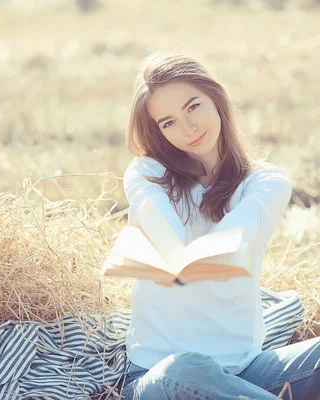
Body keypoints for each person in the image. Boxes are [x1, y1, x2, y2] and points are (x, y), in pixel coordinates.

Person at [119, 52, 320, 399]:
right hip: (162, 379)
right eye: (168, 123)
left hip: (247, 371)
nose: (188, 128)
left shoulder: (266, 182)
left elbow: (228, 246)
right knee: (182, 370)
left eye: (192, 106)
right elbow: (167, 237)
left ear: (216, 96)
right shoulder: (147, 174)